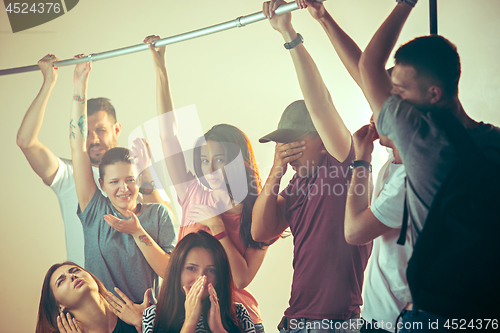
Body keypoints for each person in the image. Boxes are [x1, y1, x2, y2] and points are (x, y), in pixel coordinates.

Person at [358, 0, 500, 330]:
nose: (394, 99)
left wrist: (406, 3)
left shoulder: (422, 141)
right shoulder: (495, 143)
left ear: (434, 94)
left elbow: (368, 66)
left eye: (401, 90)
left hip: (435, 313)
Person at [294, 1, 413, 330]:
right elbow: (365, 71)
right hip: (376, 319)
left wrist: (361, 161)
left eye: (380, 104)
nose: (373, 113)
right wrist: (323, 18)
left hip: (398, 322)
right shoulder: (395, 161)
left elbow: (354, 231)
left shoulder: (411, 178)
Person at [252, 1, 371, 331]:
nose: (287, 150)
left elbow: (320, 103)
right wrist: (275, 171)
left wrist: (289, 34)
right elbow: (260, 232)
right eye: (282, 142)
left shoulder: (342, 165)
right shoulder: (294, 187)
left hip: (337, 325)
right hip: (294, 322)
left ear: (321, 139)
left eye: (295, 139)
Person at [143, 35, 270, 332]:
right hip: (181, 310)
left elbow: (240, 279)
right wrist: (160, 67)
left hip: (233, 317)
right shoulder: (193, 192)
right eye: (203, 161)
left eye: (219, 160)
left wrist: (217, 228)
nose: (209, 170)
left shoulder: (258, 211)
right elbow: (167, 136)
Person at [16, 54, 169, 268]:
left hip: (137, 296)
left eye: (101, 130)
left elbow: (164, 224)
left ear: (116, 129)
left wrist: (145, 171)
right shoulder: (67, 174)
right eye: (87, 132)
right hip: (85, 291)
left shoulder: (138, 173)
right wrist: (49, 82)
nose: (94, 139)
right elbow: (25, 141)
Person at [69, 54, 176, 303]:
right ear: (101, 185)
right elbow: (77, 146)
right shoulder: (95, 210)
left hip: (148, 322)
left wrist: (138, 231)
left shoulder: (158, 215)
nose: (123, 188)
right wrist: (79, 85)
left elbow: (170, 274)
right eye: (114, 182)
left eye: (129, 179)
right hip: (103, 321)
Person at [141, 231, 255, 333]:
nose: (201, 278)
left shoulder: (239, 313)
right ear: (177, 271)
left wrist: (218, 329)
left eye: (211, 270)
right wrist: (190, 322)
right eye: (191, 268)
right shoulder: (154, 315)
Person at [35, 261, 149, 333]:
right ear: (59, 306)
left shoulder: (143, 313)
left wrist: (144, 325)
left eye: (76, 270)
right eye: (61, 281)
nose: (72, 276)